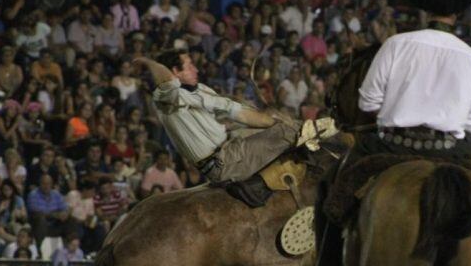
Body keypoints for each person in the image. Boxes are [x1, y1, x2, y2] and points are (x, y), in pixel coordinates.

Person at [314, 0, 471, 266]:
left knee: (330, 188)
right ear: (458, 15)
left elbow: (367, 103)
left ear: (423, 10)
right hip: (451, 149)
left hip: (392, 144)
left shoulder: (397, 44)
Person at [137, 50, 330, 185]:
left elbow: (234, 114)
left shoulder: (200, 89)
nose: (196, 69)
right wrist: (149, 62)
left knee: (276, 126)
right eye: (189, 66)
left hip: (229, 148)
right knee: (286, 131)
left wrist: (268, 118)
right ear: (175, 72)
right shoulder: (168, 98)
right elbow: (166, 80)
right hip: (224, 162)